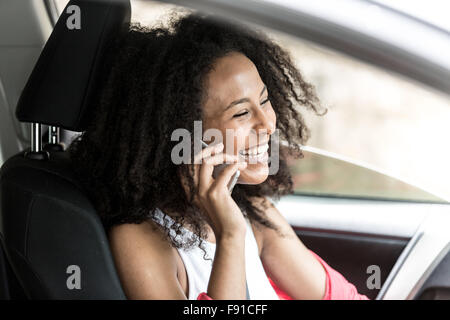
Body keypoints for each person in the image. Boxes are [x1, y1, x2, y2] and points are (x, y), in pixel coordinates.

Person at [68, 11, 368, 300]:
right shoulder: (141, 240)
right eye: (241, 113)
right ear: (181, 133)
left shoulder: (255, 210)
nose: (266, 124)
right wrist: (231, 235)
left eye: (264, 100)